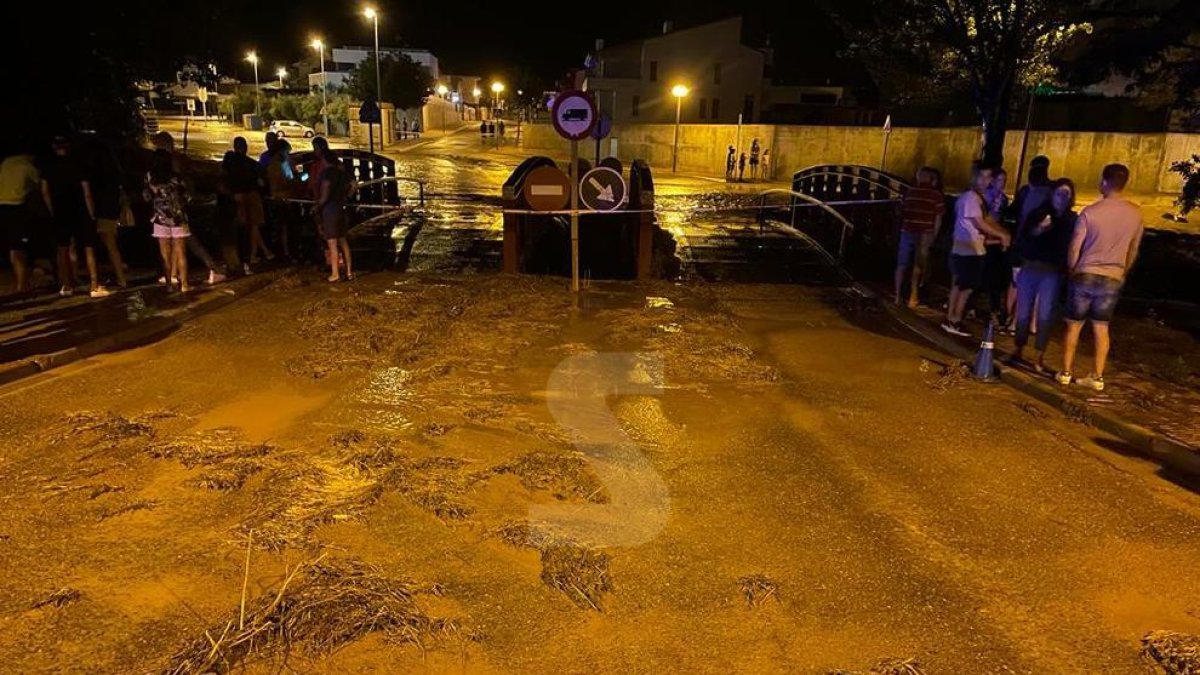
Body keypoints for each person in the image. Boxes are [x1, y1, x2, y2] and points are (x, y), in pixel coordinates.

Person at [1057, 164, 1143, 392]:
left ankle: (1065, 372)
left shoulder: (1090, 212)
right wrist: (1123, 271)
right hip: (1113, 276)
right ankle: (1097, 376)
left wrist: (1072, 269)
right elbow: (1134, 248)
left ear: (1105, 181)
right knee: (1101, 327)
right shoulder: (1135, 214)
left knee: (1073, 325)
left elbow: (1075, 247)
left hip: (1085, 273)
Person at [1010, 178, 1077, 373]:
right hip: (1031, 267)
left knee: (1045, 314)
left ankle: (1039, 356)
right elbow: (1023, 239)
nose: (1062, 198)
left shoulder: (1071, 220)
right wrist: (1039, 229)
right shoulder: (1038, 214)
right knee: (1023, 312)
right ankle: (1018, 349)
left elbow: (1072, 246)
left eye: (1067, 194)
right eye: (1059, 193)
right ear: (1052, 194)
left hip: (1052, 272)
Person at [942, 162, 1011, 336]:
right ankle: (954, 319)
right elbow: (979, 222)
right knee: (965, 287)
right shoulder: (971, 198)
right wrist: (1002, 235)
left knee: (962, 285)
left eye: (989, 177)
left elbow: (986, 219)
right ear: (974, 177)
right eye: (982, 176)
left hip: (971, 249)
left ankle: (953, 318)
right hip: (968, 250)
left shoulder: (977, 198)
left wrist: (1003, 232)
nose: (985, 181)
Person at [40, 136, 111, 298]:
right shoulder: (78, 164)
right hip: (80, 210)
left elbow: (45, 191)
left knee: (62, 248)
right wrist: (92, 213)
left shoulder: (48, 167)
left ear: (54, 147)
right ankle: (94, 285)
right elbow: (87, 192)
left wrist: (51, 209)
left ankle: (66, 285)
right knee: (88, 247)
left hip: (60, 211)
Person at [153, 132, 225, 284]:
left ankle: (213, 267)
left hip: (174, 210)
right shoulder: (174, 159)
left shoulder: (171, 161)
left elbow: (179, 183)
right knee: (179, 242)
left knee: (187, 241)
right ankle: (174, 274)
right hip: (176, 209)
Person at [1006, 156, 1054, 331]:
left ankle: (1013, 320)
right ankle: (1029, 322)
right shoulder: (1046, 190)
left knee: (1018, 282)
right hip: (1036, 244)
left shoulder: (1028, 191)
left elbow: (1013, 212)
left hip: (1026, 242)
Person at [894, 167, 946, 307]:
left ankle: (898, 296)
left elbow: (902, 212)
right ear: (931, 179)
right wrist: (934, 236)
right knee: (918, 265)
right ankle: (913, 295)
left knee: (902, 264)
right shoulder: (936, 195)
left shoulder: (910, 192)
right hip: (925, 232)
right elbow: (938, 218)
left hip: (907, 230)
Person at [144, 150, 191, 292]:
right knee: (181, 252)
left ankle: (169, 284)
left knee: (165, 254)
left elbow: (146, 196)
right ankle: (184, 284)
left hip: (159, 218)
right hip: (178, 217)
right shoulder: (176, 178)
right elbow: (187, 196)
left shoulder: (150, 177)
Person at [84, 138, 129, 289]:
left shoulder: (94, 172)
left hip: (101, 211)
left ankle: (120, 279)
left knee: (109, 246)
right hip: (111, 209)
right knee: (111, 245)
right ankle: (119, 277)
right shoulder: (113, 169)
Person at [222, 137, 272, 268]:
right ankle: (253, 255)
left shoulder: (229, 162)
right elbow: (262, 178)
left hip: (237, 196)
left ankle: (254, 254)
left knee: (244, 227)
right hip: (251, 194)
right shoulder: (251, 164)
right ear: (245, 147)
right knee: (254, 225)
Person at [0, 144, 40, 293]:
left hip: (1, 205)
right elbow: (38, 186)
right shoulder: (28, 166)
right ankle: (21, 284)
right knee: (19, 247)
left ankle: (20, 282)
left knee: (13, 247)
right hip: (16, 206)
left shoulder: (7, 161)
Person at [315, 144, 355, 282]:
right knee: (343, 241)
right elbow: (352, 186)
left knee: (332, 243)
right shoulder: (342, 174)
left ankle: (335, 273)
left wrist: (318, 205)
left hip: (330, 210)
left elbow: (325, 193)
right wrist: (346, 196)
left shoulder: (327, 174)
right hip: (340, 208)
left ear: (325, 159)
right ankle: (349, 272)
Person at [982, 168, 1012, 324]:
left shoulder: (1003, 199)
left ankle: (994, 308)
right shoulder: (984, 197)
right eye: (1000, 180)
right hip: (985, 238)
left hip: (996, 239)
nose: (1003, 184)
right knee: (982, 273)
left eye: (1005, 181)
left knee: (994, 275)